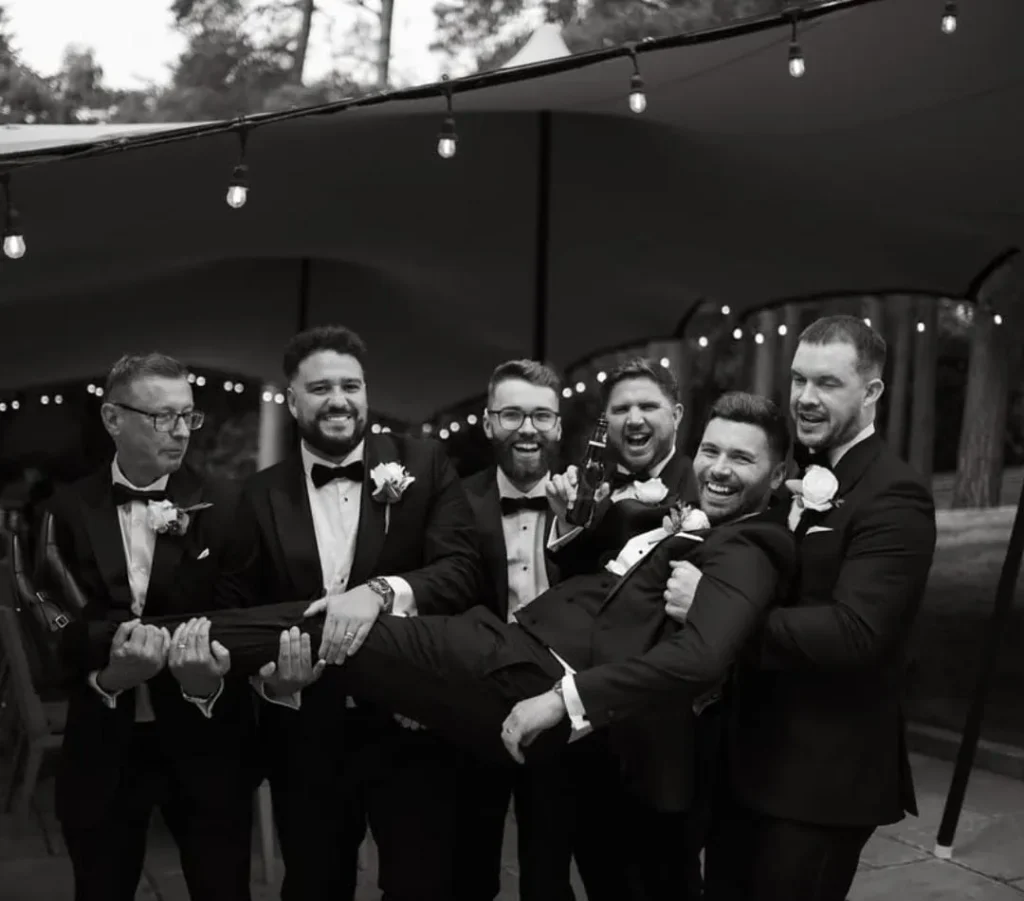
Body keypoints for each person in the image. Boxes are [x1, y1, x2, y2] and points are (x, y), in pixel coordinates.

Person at [123, 391, 797, 901]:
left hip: (532, 672)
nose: (718, 468)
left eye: (742, 458)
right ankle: (180, 639)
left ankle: (164, 639)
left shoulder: (751, 545)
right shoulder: (694, 521)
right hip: (502, 645)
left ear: (777, 473)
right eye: (712, 451)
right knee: (341, 633)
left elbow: (702, 657)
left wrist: (565, 699)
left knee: (341, 630)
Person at [213, 324, 481, 901]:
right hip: (308, 730)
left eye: (350, 386)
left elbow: (462, 571)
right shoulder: (257, 495)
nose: (339, 400)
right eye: (320, 388)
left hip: (412, 718)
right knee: (314, 884)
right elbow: (236, 611)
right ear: (293, 401)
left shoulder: (425, 464)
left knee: (422, 885)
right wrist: (272, 683)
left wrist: (381, 591)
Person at [672, 316, 937, 901]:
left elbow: (856, 632)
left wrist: (714, 611)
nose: (806, 398)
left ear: (871, 392)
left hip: (822, 780)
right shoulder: (798, 474)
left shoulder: (894, 494)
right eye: (798, 380)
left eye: (827, 383)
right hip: (750, 765)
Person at [44, 353, 259, 901]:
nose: (181, 431)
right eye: (163, 417)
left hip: (205, 738)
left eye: (188, 415)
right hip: (104, 740)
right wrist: (109, 677)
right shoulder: (68, 508)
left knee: (221, 887)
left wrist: (206, 682)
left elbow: (241, 617)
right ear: (113, 419)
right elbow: (56, 630)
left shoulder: (227, 503)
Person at [458, 359, 577, 901]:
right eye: (511, 415)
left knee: (550, 873)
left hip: (563, 706)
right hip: (474, 702)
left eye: (541, 416)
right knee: (468, 869)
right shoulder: (454, 502)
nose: (528, 429)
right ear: (488, 423)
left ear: (558, 425)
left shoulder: (591, 501)